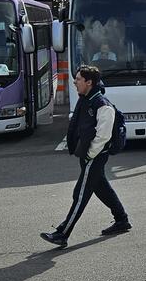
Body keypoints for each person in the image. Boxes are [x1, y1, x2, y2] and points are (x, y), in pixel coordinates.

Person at [41, 65, 130, 247]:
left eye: (78, 79)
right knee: (101, 187)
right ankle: (121, 219)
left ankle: (62, 233)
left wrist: (89, 154)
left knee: (80, 194)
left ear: (89, 82)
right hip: (88, 156)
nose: (74, 82)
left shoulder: (102, 105)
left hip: (95, 156)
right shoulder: (85, 99)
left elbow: (103, 136)